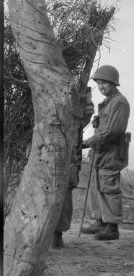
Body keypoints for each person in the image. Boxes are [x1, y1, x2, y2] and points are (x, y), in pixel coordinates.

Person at [81, 65, 131, 241]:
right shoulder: (108, 102)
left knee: (109, 188)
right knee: (97, 187)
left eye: (105, 83)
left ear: (114, 83)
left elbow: (113, 131)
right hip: (100, 153)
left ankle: (112, 227)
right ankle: (100, 221)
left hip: (111, 154)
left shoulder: (119, 102)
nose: (101, 87)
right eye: (99, 83)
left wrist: (88, 142)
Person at [52, 87, 95, 248]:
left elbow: (87, 113)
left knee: (64, 192)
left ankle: (57, 234)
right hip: (50, 146)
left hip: (69, 150)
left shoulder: (78, 86)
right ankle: (53, 234)